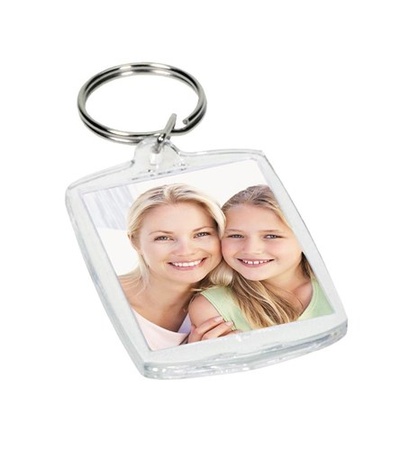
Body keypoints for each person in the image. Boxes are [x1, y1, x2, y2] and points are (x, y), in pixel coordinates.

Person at [188, 185, 333, 333]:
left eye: (271, 236)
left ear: (306, 239)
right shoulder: (212, 309)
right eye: (236, 235)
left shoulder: (332, 286)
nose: (251, 249)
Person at [119, 183, 234, 350]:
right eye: (163, 238)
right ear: (135, 242)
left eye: (201, 234)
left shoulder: (226, 305)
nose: (186, 251)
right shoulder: (104, 298)